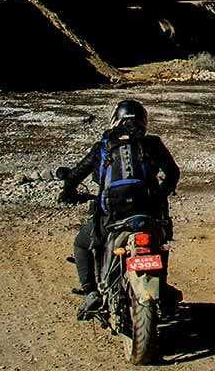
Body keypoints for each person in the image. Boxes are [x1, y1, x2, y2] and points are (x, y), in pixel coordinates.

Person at [58, 99, 180, 317]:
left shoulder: (104, 146)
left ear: (115, 119)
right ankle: (161, 284)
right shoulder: (152, 143)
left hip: (113, 216)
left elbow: (76, 174)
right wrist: (159, 194)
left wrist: (67, 193)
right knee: (160, 243)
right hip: (147, 214)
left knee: (82, 245)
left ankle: (91, 292)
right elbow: (173, 173)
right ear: (144, 121)